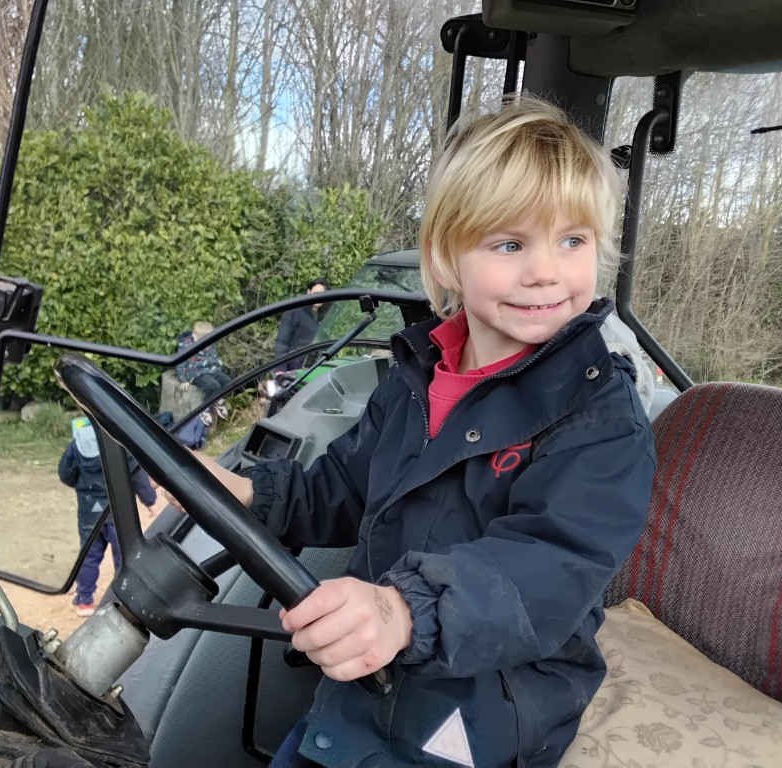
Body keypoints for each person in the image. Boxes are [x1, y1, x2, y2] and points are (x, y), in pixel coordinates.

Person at [192, 99, 656, 767]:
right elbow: (343, 489)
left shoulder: (599, 418)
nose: (547, 271)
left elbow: (547, 568)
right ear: (445, 257)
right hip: (371, 689)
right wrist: (242, 492)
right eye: (510, 244)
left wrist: (404, 609)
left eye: (572, 241)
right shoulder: (416, 379)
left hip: (483, 713)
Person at [57, 417, 159, 617]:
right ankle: (124, 599)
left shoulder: (76, 444)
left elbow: (65, 474)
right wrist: (150, 501)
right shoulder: (118, 442)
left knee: (88, 557)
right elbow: (137, 476)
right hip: (118, 515)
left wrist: (80, 484)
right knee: (124, 557)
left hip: (89, 515)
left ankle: (84, 601)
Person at [273, 278, 331, 371]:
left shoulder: (324, 316)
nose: (318, 297)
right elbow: (282, 341)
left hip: (311, 367)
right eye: (315, 293)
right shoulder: (295, 310)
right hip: (292, 367)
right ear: (308, 292)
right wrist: (280, 370)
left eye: (322, 294)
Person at [176, 321, 232, 404]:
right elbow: (180, 363)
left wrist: (218, 366)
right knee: (214, 387)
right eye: (202, 341)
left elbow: (213, 356)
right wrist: (183, 380)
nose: (205, 343)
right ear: (194, 334)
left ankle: (219, 401)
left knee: (228, 382)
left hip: (212, 369)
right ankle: (205, 408)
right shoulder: (186, 346)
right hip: (197, 373)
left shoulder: (209, 342)